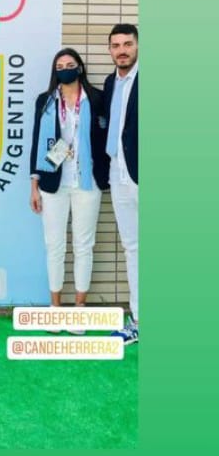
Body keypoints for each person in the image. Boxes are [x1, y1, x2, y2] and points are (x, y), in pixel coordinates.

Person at [30, 48, 109, 325]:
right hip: (53, 182)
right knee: (54, 245)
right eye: (60, 66)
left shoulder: (97, 98)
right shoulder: (45, 101)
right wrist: (34, 185)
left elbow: (105, 137)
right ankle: (55, 308)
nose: (65, 69)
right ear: (55, 71)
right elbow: (37, 142)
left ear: (80, 68)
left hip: (87, 182)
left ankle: (78, 310)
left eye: (70, 64)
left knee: (84, 245)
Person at [104, 23, 139, 344]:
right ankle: (138, 320)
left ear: (137, 46)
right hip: (118, 173)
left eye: (127, 44)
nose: (122, 51)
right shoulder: (110, 82)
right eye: (116, 46)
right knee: (132, 247)